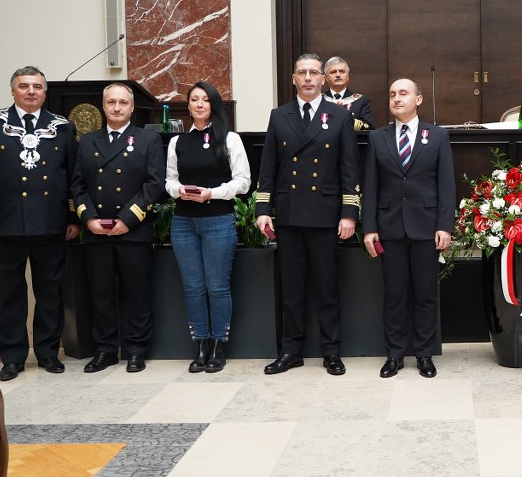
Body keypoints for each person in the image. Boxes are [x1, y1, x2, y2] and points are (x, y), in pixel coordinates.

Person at [0, 66, 79, 381]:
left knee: (50, 292)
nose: (31, 91)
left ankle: (48, 353)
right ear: (13, 90)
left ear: (45, 92)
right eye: (24, 86)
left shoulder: (62, 127)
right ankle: (12, 357)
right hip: (4, 223)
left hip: (51, 222)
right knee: (8, 294)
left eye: (37, 86)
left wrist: (72, 218)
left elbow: (72, 176)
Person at [257, 53, 360, 376]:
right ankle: (291, 351)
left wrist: (349, 213)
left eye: (314, 72)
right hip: (289, 213)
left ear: (323, 79)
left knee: (327, 288)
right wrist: (262, 209)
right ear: (293, 79)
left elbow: (349, 168)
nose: (308, 78)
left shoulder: (339, 116)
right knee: (292, 289)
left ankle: (331, 352)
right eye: (302, 72)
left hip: (325, 214)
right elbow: (268, 167)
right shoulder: (279, 116)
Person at [362, 78, 455, 378]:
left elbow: (446, 184)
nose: (397, 99)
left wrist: (445, 225)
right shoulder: (378, 138)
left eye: (403, 93)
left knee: (425, 294)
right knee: (395, 295)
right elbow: (371, 186)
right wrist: (369, 227)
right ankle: (394, 355)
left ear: (419, 99)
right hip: (389, 228)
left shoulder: (437, 136)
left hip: (426, 227)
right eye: (392, 94)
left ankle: (424, 355)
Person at [71, 83, 166, 373]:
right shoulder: (87, 141)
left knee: (136, 293)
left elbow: (154, 185)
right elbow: (77, 186)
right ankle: (106, 349)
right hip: (97, 231)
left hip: (133, 230)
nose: (117, 107)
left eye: (123, 102)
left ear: (132, 107)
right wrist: (89, 219)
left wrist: (127, 219)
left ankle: (136, 349)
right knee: (101, 294)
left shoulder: (148, 140)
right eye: (111, 102)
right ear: (103, 106)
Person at [165, 82, 251, 374]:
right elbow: (169, 180)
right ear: (188, 106)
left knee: (217, 286)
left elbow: (243, 182)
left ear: (213, 105)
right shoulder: (177, 142)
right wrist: (179, 191)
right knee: (193, 287)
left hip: (218, 220)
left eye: (205, 100)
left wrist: (211, 193)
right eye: (194, 100)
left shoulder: (229, 139)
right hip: (183, 222)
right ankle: (201, 343)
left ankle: (218, 345)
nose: (199, 104)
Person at [323, 56, 375, 130]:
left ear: (348, 77)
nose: (338, 75)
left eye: (342, 71)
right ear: (326, 78)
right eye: (333, 72)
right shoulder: (320, 100)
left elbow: (369, 127)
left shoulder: (360, 100)